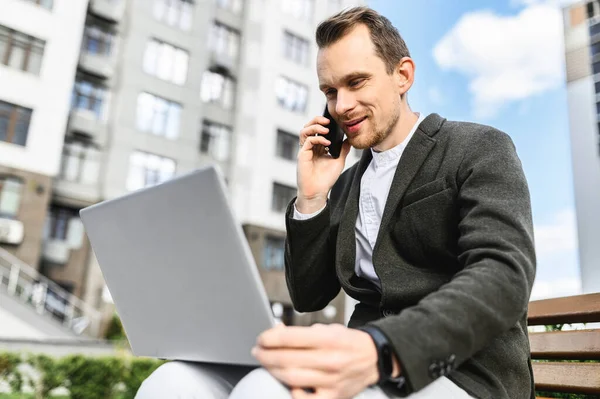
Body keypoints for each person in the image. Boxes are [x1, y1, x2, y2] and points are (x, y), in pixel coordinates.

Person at [136, 6, 536, 399]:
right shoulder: (346, 185)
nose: (340, 106)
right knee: (171, 383)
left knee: (266, 391)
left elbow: (503, 274)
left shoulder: (477, 147)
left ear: (403, 75)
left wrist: (381, 348)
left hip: (462, 373)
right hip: (358, 363)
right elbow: (309, 297)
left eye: (356, 82)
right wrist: (312, 197)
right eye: (330, 91)